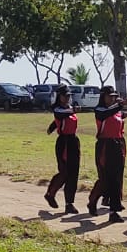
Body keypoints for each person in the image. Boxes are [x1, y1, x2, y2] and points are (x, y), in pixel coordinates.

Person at [86, 86, 127, 222]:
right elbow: (105, 115)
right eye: (109, 96)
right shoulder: (100, 110)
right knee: (106, 179)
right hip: (105, 145)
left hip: (117, 144)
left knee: (117, 178)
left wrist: (124, 114)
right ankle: (93, 200)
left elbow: (116, 116)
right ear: (103, 97)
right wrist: (120, 105)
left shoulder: (116, 111)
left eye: (114, 96)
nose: (112, 99)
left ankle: (114, 210)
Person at [43, 84, 80, 214]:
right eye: (65, 96)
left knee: (74, 173)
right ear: (59, 97)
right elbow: (60, 115)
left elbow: (62, 119)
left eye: (69, 96)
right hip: (64, 143)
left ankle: (69, 203)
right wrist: (73, 110)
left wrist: (51, 127)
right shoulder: (59, 109)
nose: (68, 98)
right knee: (65, 172)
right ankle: (50, 193)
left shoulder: (68, 108)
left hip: (73, 141)